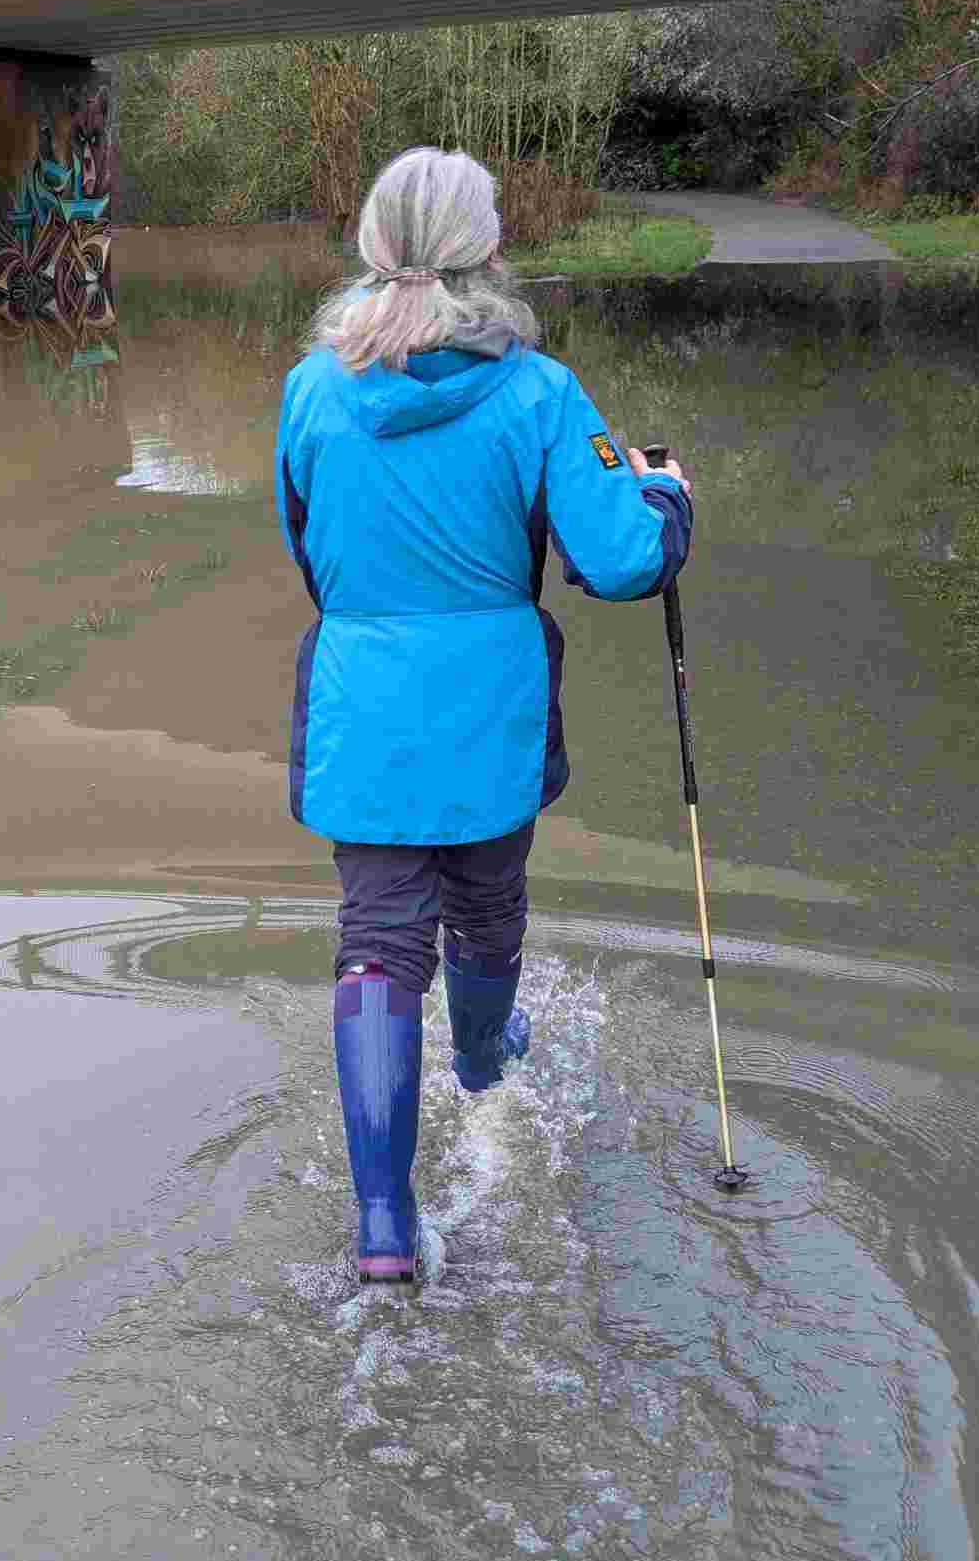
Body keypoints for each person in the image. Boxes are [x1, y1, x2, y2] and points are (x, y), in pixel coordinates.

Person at [274, 146, 694, 1283]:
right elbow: (619, 562)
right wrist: (665, 496)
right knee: (486, 906)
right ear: (486, 246)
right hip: (493, 700)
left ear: (370, 242)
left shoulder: (311, 388)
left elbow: (304, 538)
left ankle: (382, 1228)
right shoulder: (538, 393)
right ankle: (475, 1062)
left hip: (361, 700)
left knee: (376, 939)